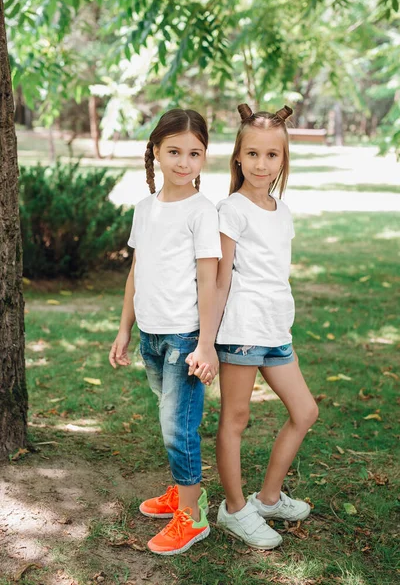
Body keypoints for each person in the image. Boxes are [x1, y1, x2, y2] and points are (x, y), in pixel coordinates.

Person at [189, 103, 319, 549]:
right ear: (238, 157)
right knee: (237, 417)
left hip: (275, 330)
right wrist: (207, 342)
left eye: (272, 155)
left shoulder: (281, 211)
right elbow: (221, 281)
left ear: (283, 160)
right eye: (253, 154)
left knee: (305, 412)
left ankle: (266, 498)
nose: (262, 164)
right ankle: (235, 509)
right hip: (242, 331)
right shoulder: (232, 209)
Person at [109, 109, 221, 555]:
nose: (183, 162)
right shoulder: (145, 209)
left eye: (194, 153)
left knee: (179, 428)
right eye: (174, 151)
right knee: (170, 416)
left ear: (204, 158)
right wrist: (124, 329)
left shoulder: (202, 212)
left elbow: (207, 281)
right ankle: (184, 489)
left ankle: (192, 517)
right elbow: (138, 270)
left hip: (184, 340)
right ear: (155, 151)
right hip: (150, 336)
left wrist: (205, 345)